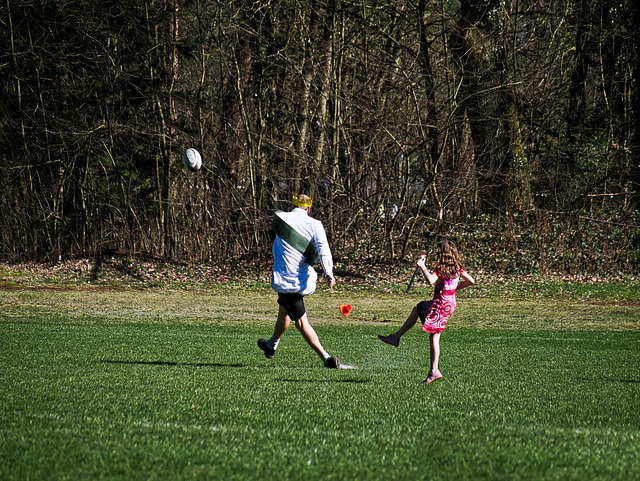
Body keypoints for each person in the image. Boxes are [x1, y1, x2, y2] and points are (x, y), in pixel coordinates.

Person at [258, 192, 340, 368]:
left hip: (286, 281)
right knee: (289, 315)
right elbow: (324, 251)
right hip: (297, 282)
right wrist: (329, 273)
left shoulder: (280, 218)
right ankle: (325, 358)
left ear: (292, 205)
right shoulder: (315, 224)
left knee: (295, 317)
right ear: (309, 208)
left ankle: (272, 346)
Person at [378, 240, 475, 383]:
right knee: (418, 309)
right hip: (449, 304)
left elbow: (431, 280)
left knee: (434, 338)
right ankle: (396, 337)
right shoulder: (457, 268)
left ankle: (433, 371)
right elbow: (471, 281)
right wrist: (455, 289)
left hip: (440, 305)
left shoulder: (440, 268)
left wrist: (422, 266)